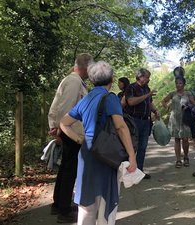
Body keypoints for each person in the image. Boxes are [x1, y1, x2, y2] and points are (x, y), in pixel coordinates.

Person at [60, 61, 137, 225]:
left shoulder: (86, 99)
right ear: (111, 79)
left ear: (92, 80)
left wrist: (80, 139)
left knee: (86, 203)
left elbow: (63, 123)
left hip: (87, 153)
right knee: (104, 200)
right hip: (105, 153)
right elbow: (121, 127)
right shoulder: (110, 98)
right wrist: (132, 156)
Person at [48, 53, 93, 223]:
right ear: (85, 67)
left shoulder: (73, 80)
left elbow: (56, 107)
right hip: (71, 133)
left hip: (69, 131)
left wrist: (55, 126)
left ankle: (59, 204)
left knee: (65, 168)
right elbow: (65, 109)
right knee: (70, 170)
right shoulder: (74, 82)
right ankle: (64, 211)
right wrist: (61, 130)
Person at [123, 68, 159, 179]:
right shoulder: (131, 88)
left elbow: (150, 103)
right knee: (132, 146)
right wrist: (147, 95)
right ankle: (127, 171)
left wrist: (155, 110)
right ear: (141, 77)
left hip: (145, 120)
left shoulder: (146, 89)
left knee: (143, 147)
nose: (148, 79)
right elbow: (131, 101)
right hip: (134, 120)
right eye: (147, 77)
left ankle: (139, 171)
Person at [161, 76, 195, 168]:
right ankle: (178, 160)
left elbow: (194, 104)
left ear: (184, 84)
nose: (178, 85)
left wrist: (188, 106)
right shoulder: (172, 94)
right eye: (177, 83)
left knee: (185, 139)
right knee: (177, 139)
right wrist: (167, 107)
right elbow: (163, 101)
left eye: (180, 83)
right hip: (175, 119)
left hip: (185, 119)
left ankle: (186, 156)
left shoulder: (188, 94)